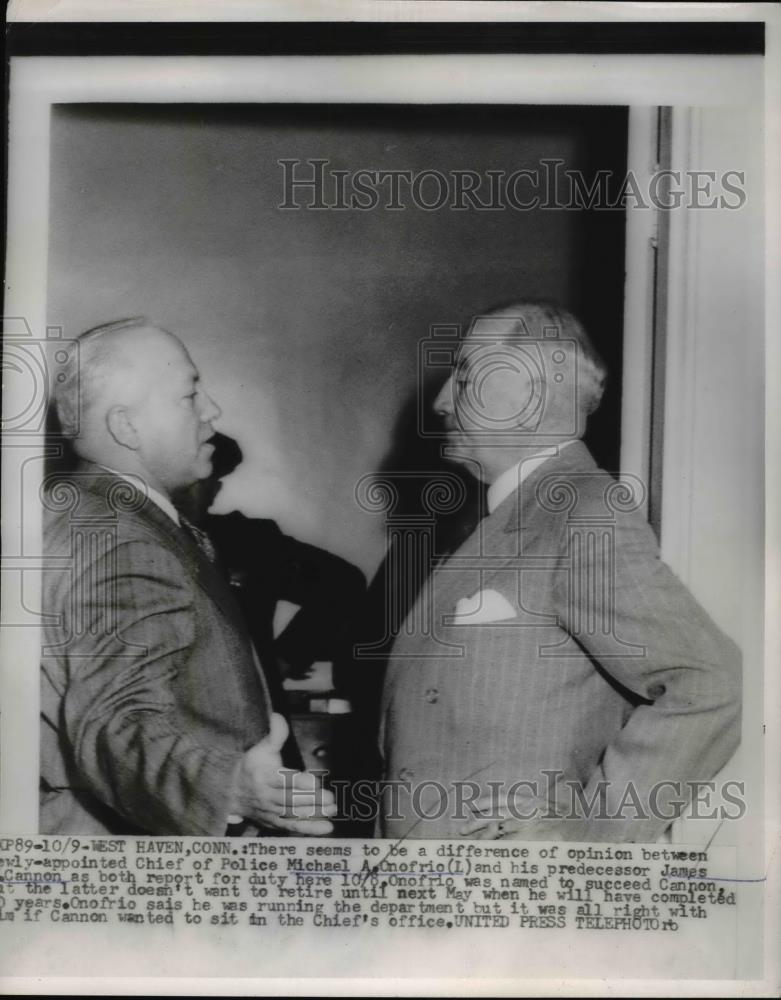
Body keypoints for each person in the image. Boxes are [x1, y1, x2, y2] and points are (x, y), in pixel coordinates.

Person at [378, 301, 741, 842]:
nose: (441, 400)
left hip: (503, 899)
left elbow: (708, 680)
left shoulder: (585, 510)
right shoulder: (500, 516)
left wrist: (587, 837)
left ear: (530, 393)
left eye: (465, 373)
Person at [40, 317, 336, 836]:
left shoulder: (104, 517)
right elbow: (117, 719)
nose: (213, 411)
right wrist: (231, 787)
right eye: (189, 394)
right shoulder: (121, 538)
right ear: (127, 426)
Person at [173, 432, 367, 772]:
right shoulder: (132, 542)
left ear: (215, 487)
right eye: (180, 477)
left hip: (255, 730)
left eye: (202, 480)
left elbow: (343, 583)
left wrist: (287, 656)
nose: (188, 492)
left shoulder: (248, 540)